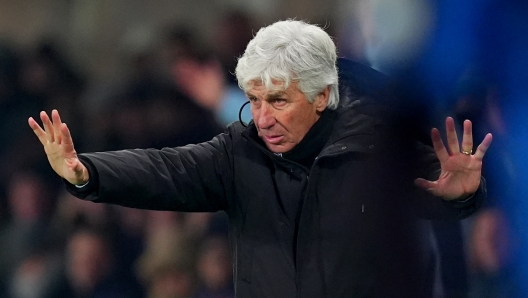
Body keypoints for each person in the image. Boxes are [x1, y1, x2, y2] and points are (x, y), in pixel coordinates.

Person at [28, 20, 493, 298]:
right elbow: (167, 169)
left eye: (278, 100)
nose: (263, 118)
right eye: (254, 99)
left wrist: (463, 196)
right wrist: (86, 172)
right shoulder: (240, 150)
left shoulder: (379, 146)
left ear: (322, 96)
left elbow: (443, 201)